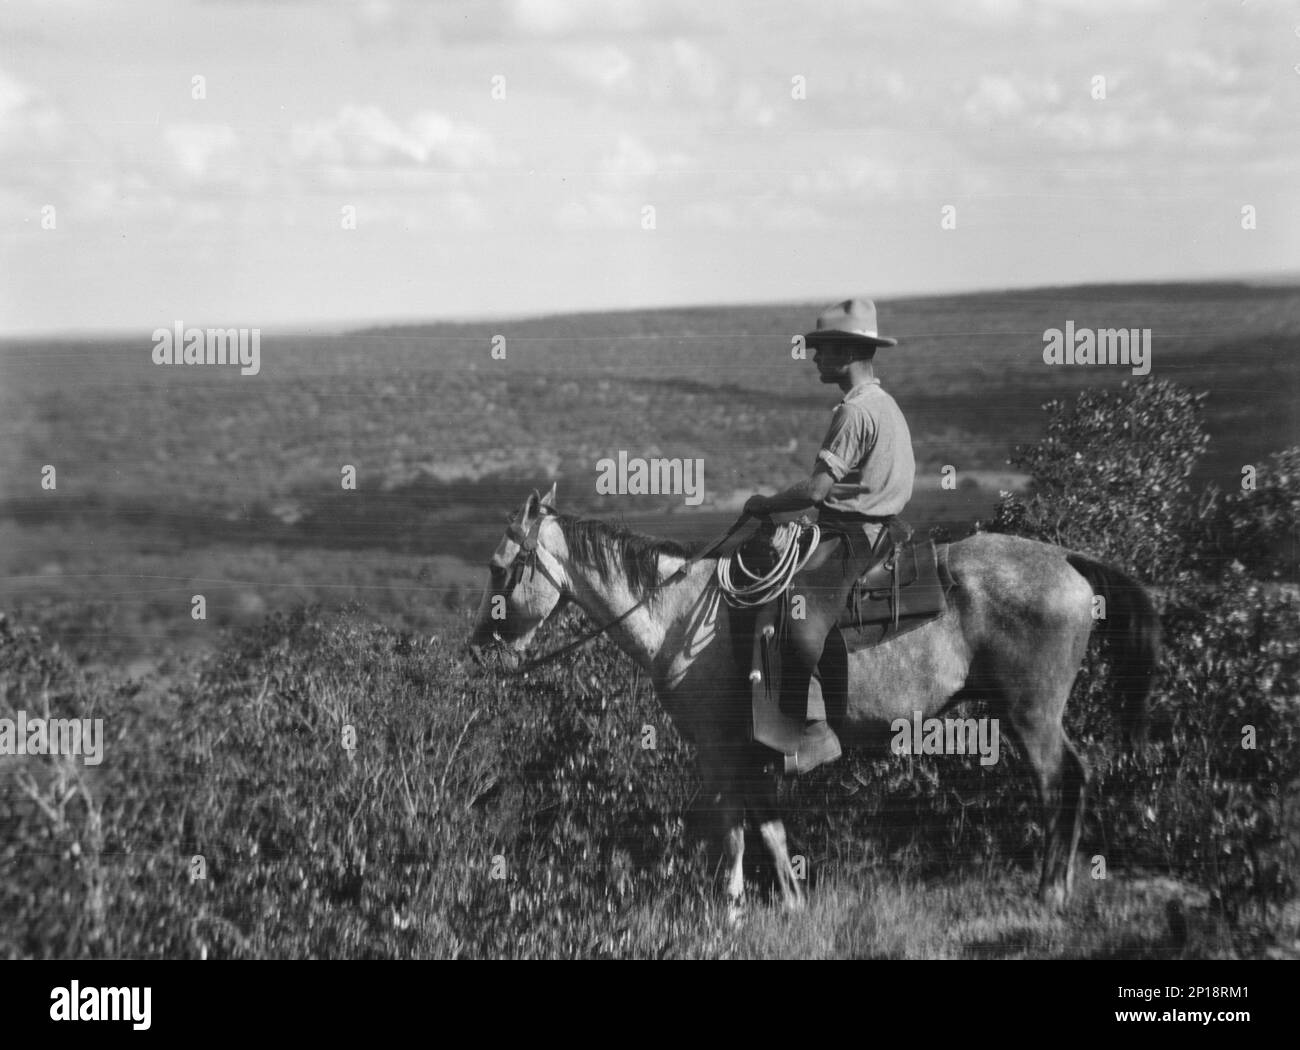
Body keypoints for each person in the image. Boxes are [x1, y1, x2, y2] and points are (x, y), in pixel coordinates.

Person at [742, 297, 916, 770]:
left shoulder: (855, 411)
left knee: (792, 602)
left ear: (846, 351)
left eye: (821, 349)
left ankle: (817, 731)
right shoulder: (883, 403)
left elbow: (817, 490)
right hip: (878, 526)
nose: (815, 357)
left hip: (858, 534)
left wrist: (767, 504)